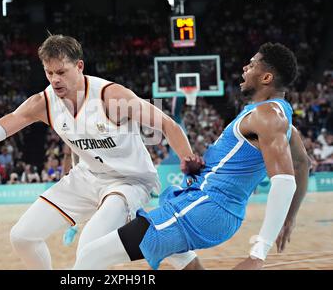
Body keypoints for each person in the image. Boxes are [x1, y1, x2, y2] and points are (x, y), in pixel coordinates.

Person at [0, 34, 202, 270]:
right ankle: (172, 248)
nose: (54, 79)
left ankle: (170, 247)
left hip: (129, 181)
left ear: (79, 66)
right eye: (48, 72)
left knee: (89, 249)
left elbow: (168, 125)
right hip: (86, 178)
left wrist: (191, 175)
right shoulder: (42, 103)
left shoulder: (111, 97)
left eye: (61, 71)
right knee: (22, 237)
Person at [72, 42, 311, 270]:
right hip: (205, 205)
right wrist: (289, 219)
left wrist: (259, 253)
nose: (245, 68)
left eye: (252, 64)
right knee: (179, 256)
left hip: (205, 208)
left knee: (90, 256)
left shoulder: (268, 115)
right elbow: (302, 164)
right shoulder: (281, 121)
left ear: (266, 77)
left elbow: (285, 181)